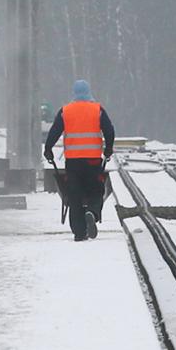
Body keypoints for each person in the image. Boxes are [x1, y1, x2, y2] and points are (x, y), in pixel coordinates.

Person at [44, 80, 115, 241]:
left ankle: (79, 231)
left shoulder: (65, 111)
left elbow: (55, 131)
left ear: (74, 93)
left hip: (73, 162)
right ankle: (92, 212)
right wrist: (108, 148)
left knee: (74, 194)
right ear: (89, 92)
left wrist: (48, 149)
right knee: (95, 191)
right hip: (93, 160)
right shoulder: (97, 110)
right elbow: (109, 130)